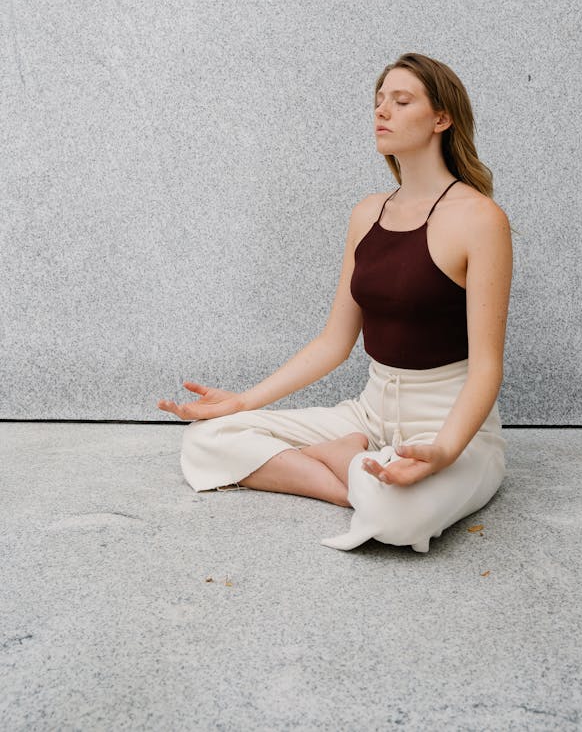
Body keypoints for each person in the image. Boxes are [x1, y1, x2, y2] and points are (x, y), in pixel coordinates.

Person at [157, 52, 512, 553]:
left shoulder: (480, 219)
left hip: (451, 423)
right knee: (207, 439)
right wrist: (241, 401)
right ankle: (351, 466)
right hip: (368, 415)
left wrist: (445, 449)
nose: (382, 111)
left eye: (401, 100)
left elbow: (487, 369)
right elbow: (333, 343)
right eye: (378, 101)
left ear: (441, 118)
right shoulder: (367, 214)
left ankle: (351, 471)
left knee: (398, 520)